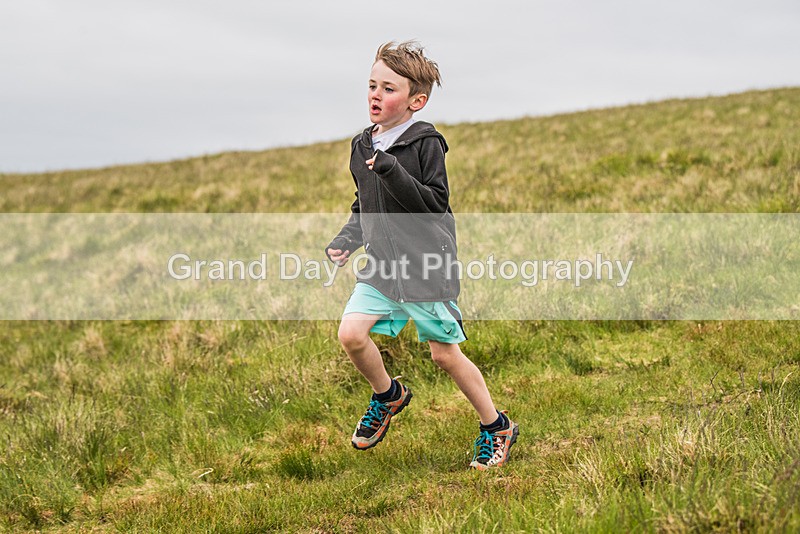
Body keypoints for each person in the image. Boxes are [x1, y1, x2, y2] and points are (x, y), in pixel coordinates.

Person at [325, 41, 518, 470]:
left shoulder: (426, 144)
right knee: (351, 335)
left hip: (426, 267)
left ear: (416, 101)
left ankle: (496, 426)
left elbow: (433, 204)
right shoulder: (361, 147)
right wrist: (346, 239)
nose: (376, 95)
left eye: (388, 89)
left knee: (444, 355)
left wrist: (392, 169)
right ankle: (388, 394)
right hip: (381, 268)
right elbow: (365, 205)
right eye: (372, 85)